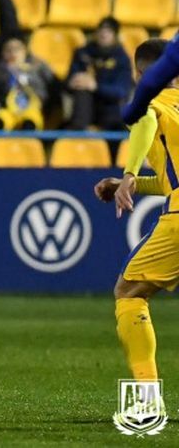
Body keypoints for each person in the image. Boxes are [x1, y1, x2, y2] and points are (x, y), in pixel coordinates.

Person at [94, 38, 179, 389]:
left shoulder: (152, 101)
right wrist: (131, 184)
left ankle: (146, 393)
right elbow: (167, 181)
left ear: (139, 72)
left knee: (129, 293)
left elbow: (142, 123)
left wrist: (129, 173)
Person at [65, 17, 131, 131]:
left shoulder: (121, 58)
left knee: (115, 117)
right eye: (101, 29)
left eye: (108, 31)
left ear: (115, 35)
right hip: (84, 106)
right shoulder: (82, 53)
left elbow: (121, 91)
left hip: (109, 107)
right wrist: (73, 82)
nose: (103, 34)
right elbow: (69, 80)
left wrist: (95, 86)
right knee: (82, 92)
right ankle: (77, 136)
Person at [0, 36, 59, 131]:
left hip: (31, 110)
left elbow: (52, 87)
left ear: (25, 51)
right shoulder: (1, 73)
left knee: (30, 124)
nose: (12, 53)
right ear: (3, 54)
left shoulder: (38, 68)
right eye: (8, 50)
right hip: (8, 111)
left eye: (17, 49)